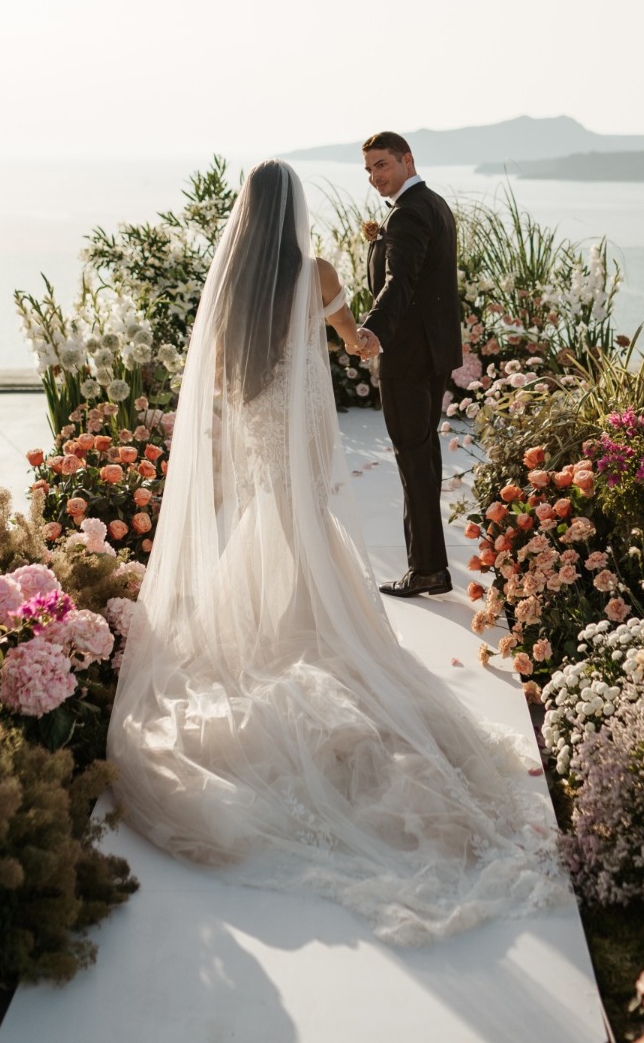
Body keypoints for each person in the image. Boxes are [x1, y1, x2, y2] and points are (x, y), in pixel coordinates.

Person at [107, 160, 564, 946]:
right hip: (301, 431)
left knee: (270, 526)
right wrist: (374, 325)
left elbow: (218, 375)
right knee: (307, 527)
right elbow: (356, 342)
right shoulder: (313, 270)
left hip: (257, 429)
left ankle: (279, 628)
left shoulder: (234, 287)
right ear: (294, 211)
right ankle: (317, 629)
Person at [356, 132, 461, 598]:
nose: (375, 177)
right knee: (423, 457)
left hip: (408, 357)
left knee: (414, 461)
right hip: (432, 353)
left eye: (382, 165)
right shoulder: (433, 203)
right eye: (369, 170)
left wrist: (372, 331)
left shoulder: (407, 214)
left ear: (406, 160)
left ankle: (427, 570)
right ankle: (430, 565)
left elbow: (399, 282)